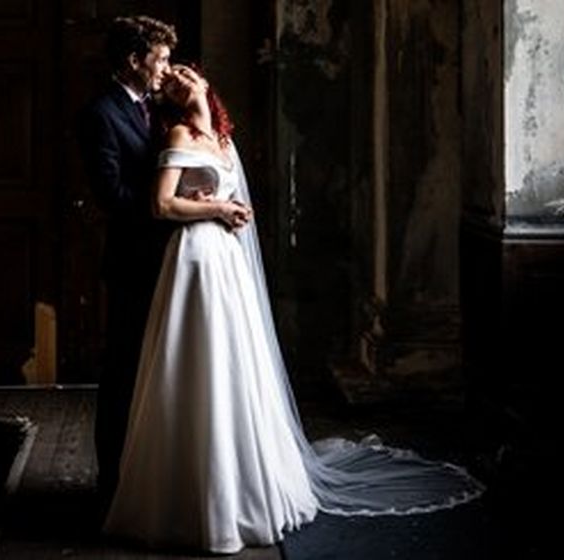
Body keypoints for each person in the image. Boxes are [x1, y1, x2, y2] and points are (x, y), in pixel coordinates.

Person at [102, 65, 485, 554]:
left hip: (224, 259)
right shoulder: (179, 132)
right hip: (195, 259)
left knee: (234, 363)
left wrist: (233, 212)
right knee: (197, 360)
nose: (179, 80)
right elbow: (162, 205)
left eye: (185, 74)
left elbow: (224, 198)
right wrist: (218, 209)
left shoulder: (220, 137)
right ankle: (191, 500)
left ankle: (241, 483)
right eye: (171, 81)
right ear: (173, 100)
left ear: (203, 84)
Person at [78, 15, 177, 512]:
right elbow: (111, 193)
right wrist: (167, 208)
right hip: (134, 261)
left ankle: (152, 476)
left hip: (173, 262)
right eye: (159, 59)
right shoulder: (101, 113)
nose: (166, 68)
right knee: (122, 371)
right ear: (134, 61)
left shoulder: (157, 108)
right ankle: (112, 482)